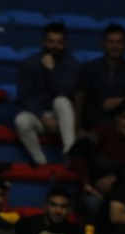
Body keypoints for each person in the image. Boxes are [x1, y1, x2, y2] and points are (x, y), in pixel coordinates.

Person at [71, 99, 125, 225]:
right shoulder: (101, 132)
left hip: (124, 197)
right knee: (92, 203)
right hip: (94, 192)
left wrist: (117, 180)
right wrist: (86, 183)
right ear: (117, 118)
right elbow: (77, 151)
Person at [14, 22, 79, 165]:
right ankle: (41, 162)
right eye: (51, 41)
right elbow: (23, 97)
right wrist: (42, 117)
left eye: (59, 42)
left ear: (65, 44)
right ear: (43, 42)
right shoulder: (29, 63)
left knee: (61, 101)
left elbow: (64, 92)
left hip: (62, 119)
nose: (55, 46)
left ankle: (69, 152)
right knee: (21, 121)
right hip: (39, 116)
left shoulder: (72, 64)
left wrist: (51, 70)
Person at [72, 23, 125, 133]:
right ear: (104, 44)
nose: (114, 46)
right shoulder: (89, 68)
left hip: (122, 131)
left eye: (119, 42)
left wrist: (119, 102)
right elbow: (79, 99)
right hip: (93, 128)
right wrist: (78, 129)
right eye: (111, 42)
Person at [14, 185, 83, 234]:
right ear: (45, 206)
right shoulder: (26, 226)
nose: (58, 210)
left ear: (69, 210)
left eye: (63, 206)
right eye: (53, 205)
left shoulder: (76, 233)